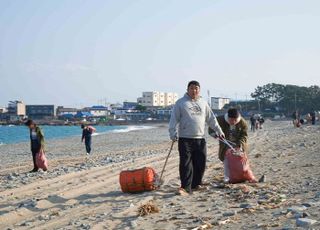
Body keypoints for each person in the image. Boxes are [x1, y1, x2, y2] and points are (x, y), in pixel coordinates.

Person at [169, 80, 225, 195]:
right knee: (186, 164)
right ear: (187, 90)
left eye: (196, 88)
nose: (194, 90)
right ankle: (186, 187)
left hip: (200, 138)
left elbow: (211, 119)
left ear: (199, 90)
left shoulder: (203, 103)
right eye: (191, 88)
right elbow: (173, 119)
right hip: (185, 138)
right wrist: (172, 133)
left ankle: (196, 184)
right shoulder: (180, 103)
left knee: (201, 162)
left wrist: (219, 130)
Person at [209, 108, 257, 183]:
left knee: (241, 161)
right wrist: (216, 135)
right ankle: (227, 177)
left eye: (235, 120)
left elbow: (244, 135)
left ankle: (245, 176)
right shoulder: (220, 120)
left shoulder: (242, 122)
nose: (233, 122)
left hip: (238, 144)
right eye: (231, 120)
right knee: (226, 160)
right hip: (225, 144)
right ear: (228, 117)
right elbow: (211, 130)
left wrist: (240, 144)